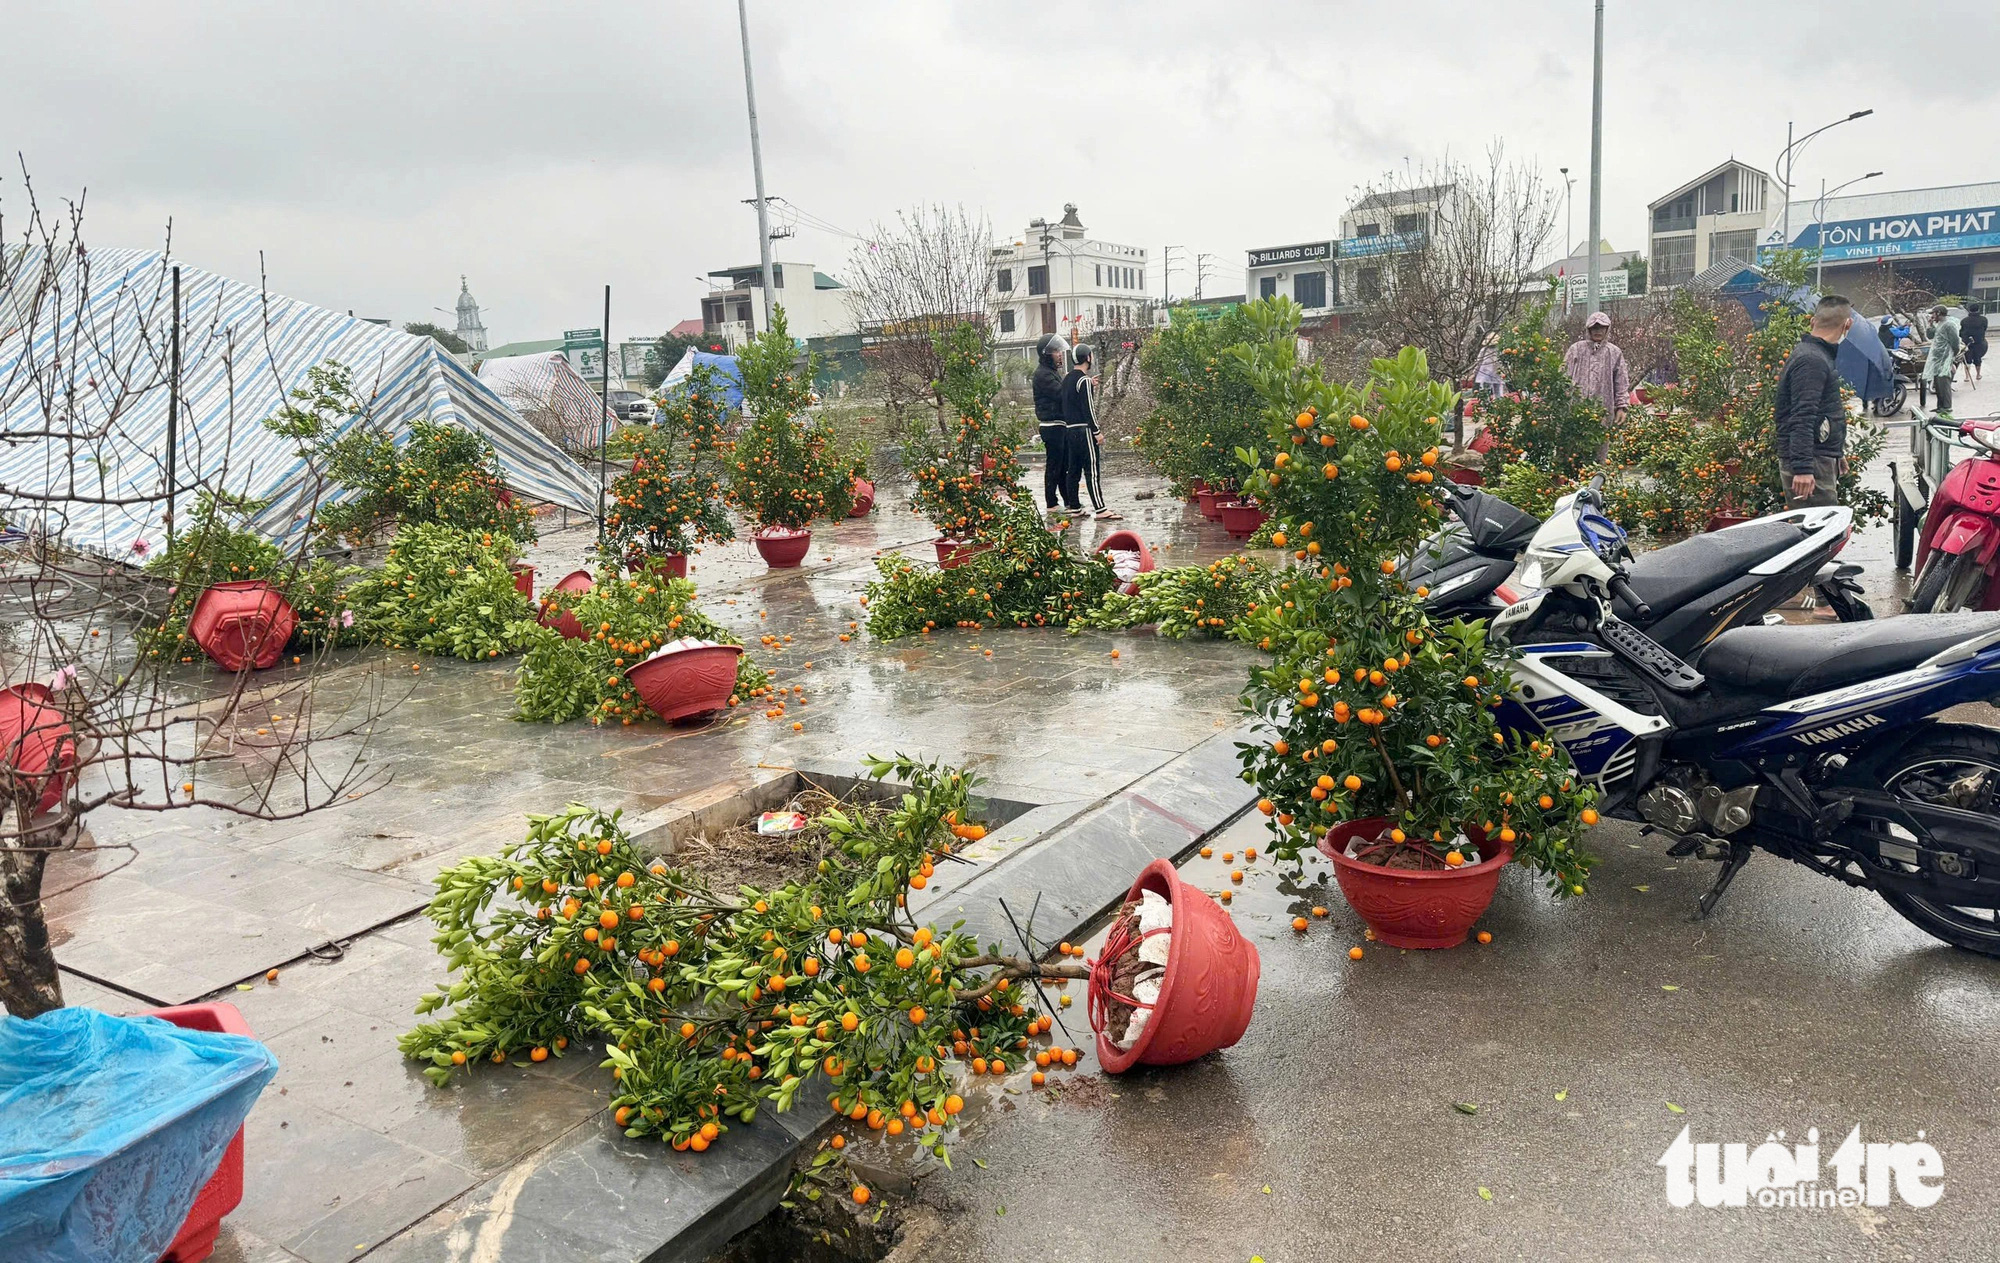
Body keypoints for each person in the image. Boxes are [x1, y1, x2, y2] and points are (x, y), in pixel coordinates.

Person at [1774, 294, 1853, 509]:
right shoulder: (1812, 360)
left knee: (1821, 531)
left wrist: (1835, 452)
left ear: (1812, 321)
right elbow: (1802, 416)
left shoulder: (1814, 355)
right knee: (1817, 533)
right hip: (1811, 464)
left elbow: (1820, 411)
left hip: (1818, 457)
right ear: (1848, 324)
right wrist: (1803, 469)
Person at [1060, 342, 1120, 521]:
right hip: (1084, 431)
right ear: (1087, 358)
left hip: (1070, 430)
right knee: (1092, 470)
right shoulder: (1084, 380)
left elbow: (1073, 400)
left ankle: (1075, 507)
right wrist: (1097, 432)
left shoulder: (1067, 379)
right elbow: (1088, 410)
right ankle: (1100, 509)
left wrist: (1089, 386)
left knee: (1073, 469)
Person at [1563, 312, 1631, 449]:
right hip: (1575, 409)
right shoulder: (1576, 349)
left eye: (1601, 328)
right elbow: (1563, 376)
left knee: (1599, 446)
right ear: (1589, 330)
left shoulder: (1614, 352)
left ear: (1607, 329)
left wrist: (1621, 407)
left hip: (1603, 410)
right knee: (1572, 448)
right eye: (1594, 328)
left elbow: (1621, 382)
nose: (1598, 331)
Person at [1032, 335, 1075, 517]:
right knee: (1054, 465)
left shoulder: (1051, 372)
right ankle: (1051, 502)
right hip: (1051, 425)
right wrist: (1076, 384)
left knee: (1063, 465)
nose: (1059, 355)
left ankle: (1068, 501)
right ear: (1046, 354)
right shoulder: (1043, 374)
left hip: (1060, 424)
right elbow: (1061, 394)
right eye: (1056, 351)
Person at [1924, 304, 1961, 418]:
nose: (1932, 315)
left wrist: (1952, 357)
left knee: (1944, 383)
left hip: (1945, 359)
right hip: (1937, 359)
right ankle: (1940, 406)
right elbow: (1930, 335)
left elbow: (1955, 342)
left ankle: (1946, 407)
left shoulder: (1949, 325)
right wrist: (1930, 324)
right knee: (1938, 383)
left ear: (1939, 313)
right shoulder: (1940, 324)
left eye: (1933, 313)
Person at [1962, 301, 1987, 389]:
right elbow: (1985, 329)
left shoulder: (1964, 320)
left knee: (1967, 359)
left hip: (1967, 342)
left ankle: (1967, 377)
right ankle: (1978, 374)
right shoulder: (1983, 319)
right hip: (1979, 342)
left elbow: (1961, 332)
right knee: (1977, 358)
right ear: (1978, 310)